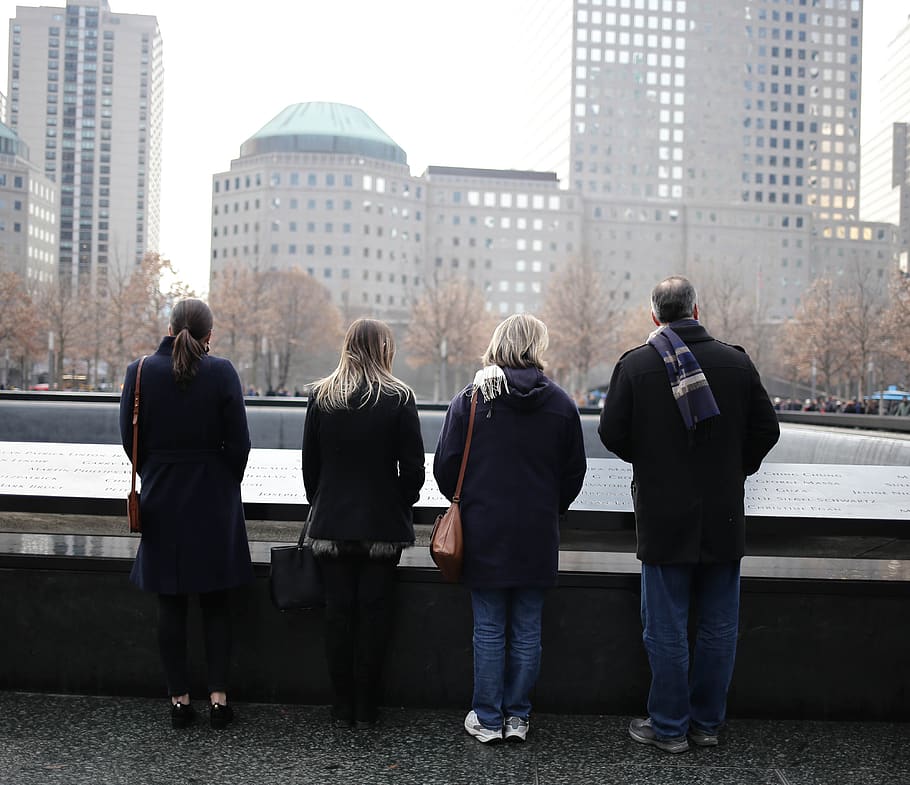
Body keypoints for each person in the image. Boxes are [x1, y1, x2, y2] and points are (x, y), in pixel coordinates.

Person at [599, 276, 779, 753]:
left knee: (664, 625)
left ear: (654, 316)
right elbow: (767, 428)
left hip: (662, 513)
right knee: (719, 625)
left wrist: (653, 460)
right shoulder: (736, 362)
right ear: (697, 311)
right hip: (722, 512)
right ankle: (706, 724)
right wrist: (736, 467)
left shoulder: (636, 365)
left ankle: (669, 726)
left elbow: (612, 433)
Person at [434, 313, 587, 744]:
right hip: (537, 533)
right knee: (527, 628)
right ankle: (517, 716)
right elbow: (574, 471)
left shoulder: (472, 399)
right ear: (538, 346)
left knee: (488, 628)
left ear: (498, 344)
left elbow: (446, 467)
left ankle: (486, 718)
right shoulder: (560, 403)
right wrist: (550, 507)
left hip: (483, 532)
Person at [119, 298, 252, 730]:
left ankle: (179, 700)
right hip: (214, 499)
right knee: (216, 602)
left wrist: (156, 472)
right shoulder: (222, 371)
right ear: (209, 334)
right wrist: (221, 478)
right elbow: (240, 443)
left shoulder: (139, 372)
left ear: (171, 326)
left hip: (162, 497)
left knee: (170, 603)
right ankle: (218, 699)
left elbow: (130, 439)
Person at [302, 318, 425, 729]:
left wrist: (324, 504)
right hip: (381, 528)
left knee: (337, 615)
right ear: (384, 349)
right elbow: (413, 470)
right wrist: (397, 503)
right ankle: (368, 708)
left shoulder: (322, 396)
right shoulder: (399, 397)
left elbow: (310, 468)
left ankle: (341, 707)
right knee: (374, 617)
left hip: (331, 524)